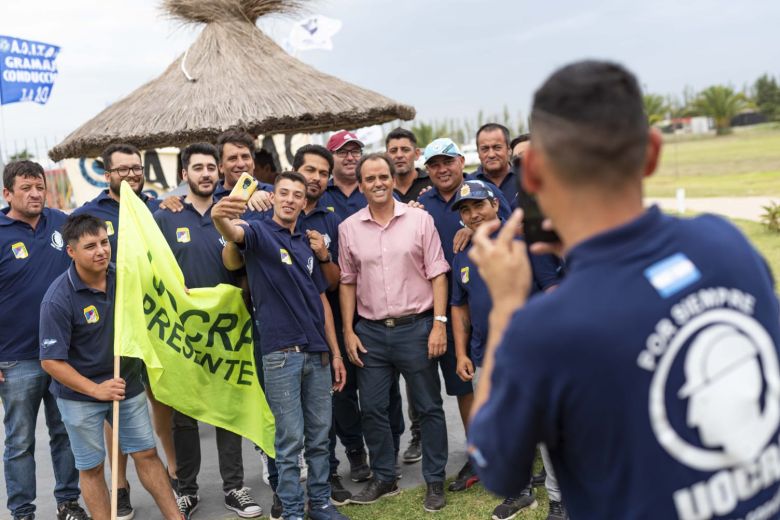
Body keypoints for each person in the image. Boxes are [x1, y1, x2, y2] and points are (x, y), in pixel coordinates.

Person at [467, 60, 780, 519]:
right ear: (652, 152)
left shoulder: (545, 328)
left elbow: (497, 468)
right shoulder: (726, 243)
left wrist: (506, 310)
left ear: (530, 173)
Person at [213, 171, 349, 520]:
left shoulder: (307, 243)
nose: (289, 199)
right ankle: (291, 511)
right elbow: (233, 232)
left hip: (318, 354)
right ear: (274, 198)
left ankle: (319, 504)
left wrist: (335, 353)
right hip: (280, 355)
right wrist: (220, 216)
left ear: (305, 202)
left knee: (320, 439)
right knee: (289, 444)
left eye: (296, 194)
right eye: (283, 193)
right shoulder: (258, 234)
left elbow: (321, 303)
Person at [39, 214, 182, 520]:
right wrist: (96, 389)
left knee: (146, 453)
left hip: (125, 383)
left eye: (104, 242)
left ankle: (176, 517)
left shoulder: (126, 278)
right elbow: (50, 361)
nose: (102, 250)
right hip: (80, 395)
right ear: (71, 252)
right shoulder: (58, 298)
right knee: (92, 468)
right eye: (90, 246)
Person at [154, 143, 262, 519]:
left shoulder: (233, 211)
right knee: (184, 414)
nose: (205, 173)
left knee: (228, 410)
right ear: (184, 173)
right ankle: (187, 489)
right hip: (183, 335)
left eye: (210, 167)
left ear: (219, 173)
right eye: (197, 167)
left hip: (228, 333)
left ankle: (235, 487)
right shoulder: (165, 215)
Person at [339, 153, 450, 513]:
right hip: (370, 332)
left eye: (383, 176)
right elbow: (347, 282)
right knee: (371, 408)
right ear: (361, 184)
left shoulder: (419, 220)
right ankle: (384, 477)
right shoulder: (349, 228)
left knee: (428, 406)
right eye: (369, 178)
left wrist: (439, 323)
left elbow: (437, 273)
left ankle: (435, 479)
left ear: (392, 178)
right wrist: (348, 331)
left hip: (416, 327)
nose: (378, 183)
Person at [449, 179, 566, 520]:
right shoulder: (464, 254)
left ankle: (560, 500)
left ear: (495, 205)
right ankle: (521, 493)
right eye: (466, 210)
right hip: (488, 356)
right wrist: (461, 353)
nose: (473, 215)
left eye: (479, 206)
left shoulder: (527, 242)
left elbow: (554, 288)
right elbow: (461, 308)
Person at [72, 143, 169, 519]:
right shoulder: (88, 214)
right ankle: (121, 485)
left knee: (161, 398)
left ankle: (174, 475)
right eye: (122, 169)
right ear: (106, 173)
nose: (130, 174)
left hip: (153, 321)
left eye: (136, 168)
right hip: (111, 328)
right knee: (119, 403)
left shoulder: (158, 206)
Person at [416, 138, 511, 492]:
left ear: (460, 162)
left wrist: (476, 228)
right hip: (449, 302)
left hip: (495, 303)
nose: (442, 169)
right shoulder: (421, 203)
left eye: (448, 162)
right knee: (465, 385)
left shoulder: (480, 190)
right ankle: (480, 453)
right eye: (434, 164)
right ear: (426, 169)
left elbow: (506, 221)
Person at [0, 161, 89, 520]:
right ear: (8, 194)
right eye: (26, 188)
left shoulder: (61, 223)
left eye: (39, 186)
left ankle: (68, 504)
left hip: (64, 353)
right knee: (20, 442)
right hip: (15, 357)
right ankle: (23, 512)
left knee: (64, 432)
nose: (36, 193)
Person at [323, 130, 404, 483]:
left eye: (355, 150)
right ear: (332, 159)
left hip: (377, 309)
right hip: (336, 309)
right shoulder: (318, 196)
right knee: (344, 389)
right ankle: (356, 453)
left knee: (385, 388)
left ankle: (392, 447)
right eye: (343, 152)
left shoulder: (378, 189)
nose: (350, 156)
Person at [291, 144, 353, 506]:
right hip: (279, 330)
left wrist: (323, 255)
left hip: (320, 322)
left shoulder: (330, 218)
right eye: (309, 170)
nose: (315, 177)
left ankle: (328, 476)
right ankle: (286, 489)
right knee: (285, 418)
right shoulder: (272, 206)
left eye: (321, 172)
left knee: (321, 411)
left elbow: (334, 280)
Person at [468, 124, 518, 202]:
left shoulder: (525, 179)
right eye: (485, 149)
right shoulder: (468, 184)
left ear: (509, 150)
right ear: (478, 152)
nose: (491, 155)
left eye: (497, 147)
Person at [385, 127, 431, 203]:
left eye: (405, 150)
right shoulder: (381, 188)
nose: (399, 155)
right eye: (393, 151)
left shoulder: (432, 183)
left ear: (417, 153)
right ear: (386, 156)